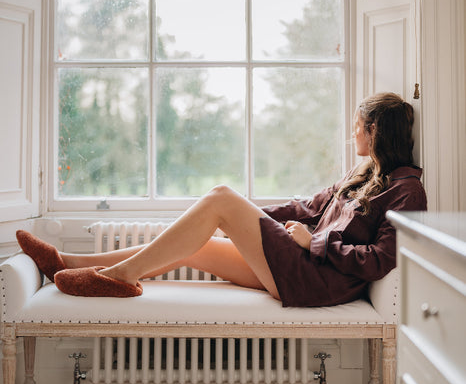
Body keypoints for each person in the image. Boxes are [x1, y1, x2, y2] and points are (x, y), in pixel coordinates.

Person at [16, 92, 427, 307]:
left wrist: (313, 242)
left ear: (373, 129)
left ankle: (120, 278)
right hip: (304, 266)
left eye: (356, 127)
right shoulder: (363, 174)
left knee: (219, 197)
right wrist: (246, 218)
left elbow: (380, 261)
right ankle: (64, 264)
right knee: (197, 244)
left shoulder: (407, 190)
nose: (351, 134)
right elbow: (306, 208)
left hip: (317, 279)